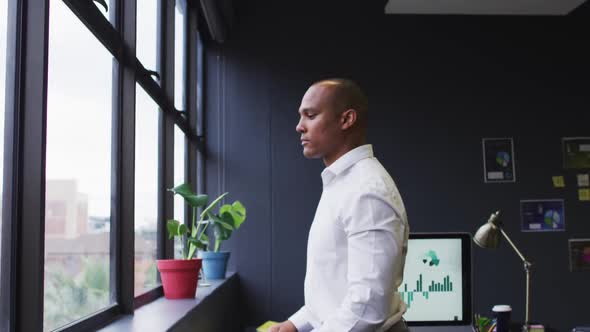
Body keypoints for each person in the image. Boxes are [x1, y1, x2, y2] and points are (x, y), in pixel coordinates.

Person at [270, 79, 410, 332]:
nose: (299, 127)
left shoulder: (366, 191)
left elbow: (367, 308)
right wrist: (294, 325)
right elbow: (332, 289)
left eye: (310, 115)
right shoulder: (341, 184)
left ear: (346, 119)